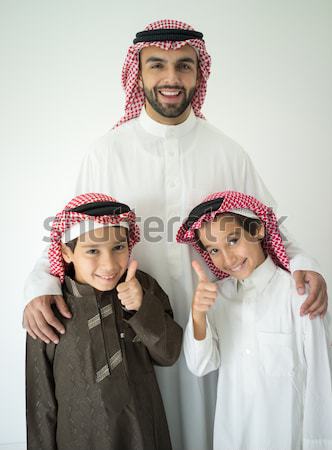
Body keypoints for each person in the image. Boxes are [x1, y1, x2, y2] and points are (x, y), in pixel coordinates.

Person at [23, 20, 328, 450]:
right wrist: (38, 287)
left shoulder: (227, 151)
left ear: (199, 75)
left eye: (184, 66)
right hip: (135, 335)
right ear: (139, 74)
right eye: (157, 65)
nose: (171, 78)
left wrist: (306, 266)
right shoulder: (106, 152)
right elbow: (69, 233)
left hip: (216, 331)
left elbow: (271, 230)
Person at [26, 192, 182, 450]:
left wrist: (141, 307)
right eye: (93, 251)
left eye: (118, 248)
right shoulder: (48, 308)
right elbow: (40, 402)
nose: (109, 264)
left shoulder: (142, 287)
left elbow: (170, 353)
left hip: (144, 435)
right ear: (66, 252)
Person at [178, 190, 332, 450]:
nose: (227, 259)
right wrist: (198, 314)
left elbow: (320, 380)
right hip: (233, 436)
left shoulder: (297, 294)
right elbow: (201, 365)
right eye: (214, 249)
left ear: (258, 230)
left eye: (233, 240)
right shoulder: (218, 297)